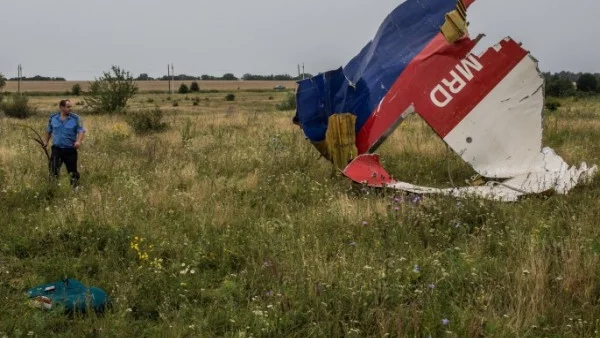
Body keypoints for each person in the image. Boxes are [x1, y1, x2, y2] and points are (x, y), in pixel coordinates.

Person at [42, 99, 86, 187]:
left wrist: (78, 141)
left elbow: (81, 131)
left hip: (70, 149)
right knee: (53, 169)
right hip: (56, 149)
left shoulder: (76, 118)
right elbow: (48, 131)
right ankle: (53, 187)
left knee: (72, 171)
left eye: (71, 107)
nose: (70, 108)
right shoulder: (53, 118)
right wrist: (45, 141)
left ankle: (75, 188)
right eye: (68, 107)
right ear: (61, 107)